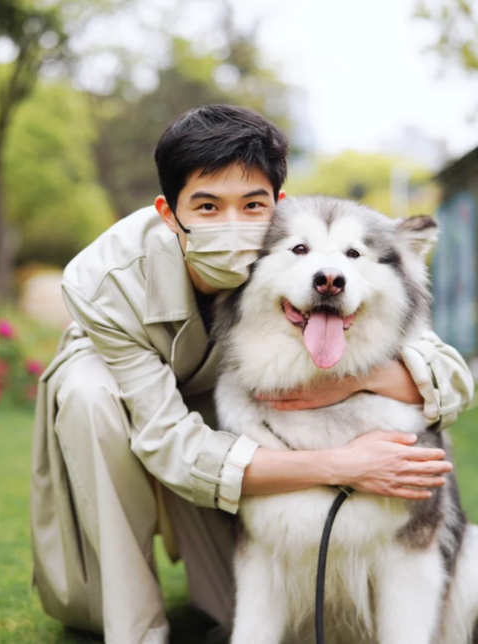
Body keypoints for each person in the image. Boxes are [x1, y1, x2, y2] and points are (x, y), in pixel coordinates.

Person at [30, 104, 474, 644]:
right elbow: (172, 443)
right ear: (170, 213)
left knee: (237, 609)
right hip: (143, 391)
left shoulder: (298, 248)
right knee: (88, 396)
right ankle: (136, 628)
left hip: (229, 411)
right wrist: (342, 466)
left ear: (277, 205)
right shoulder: (103, 280)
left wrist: (359, 378)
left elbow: (441, 370)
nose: (232, 223)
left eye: (252, 204)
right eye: (207, 205)